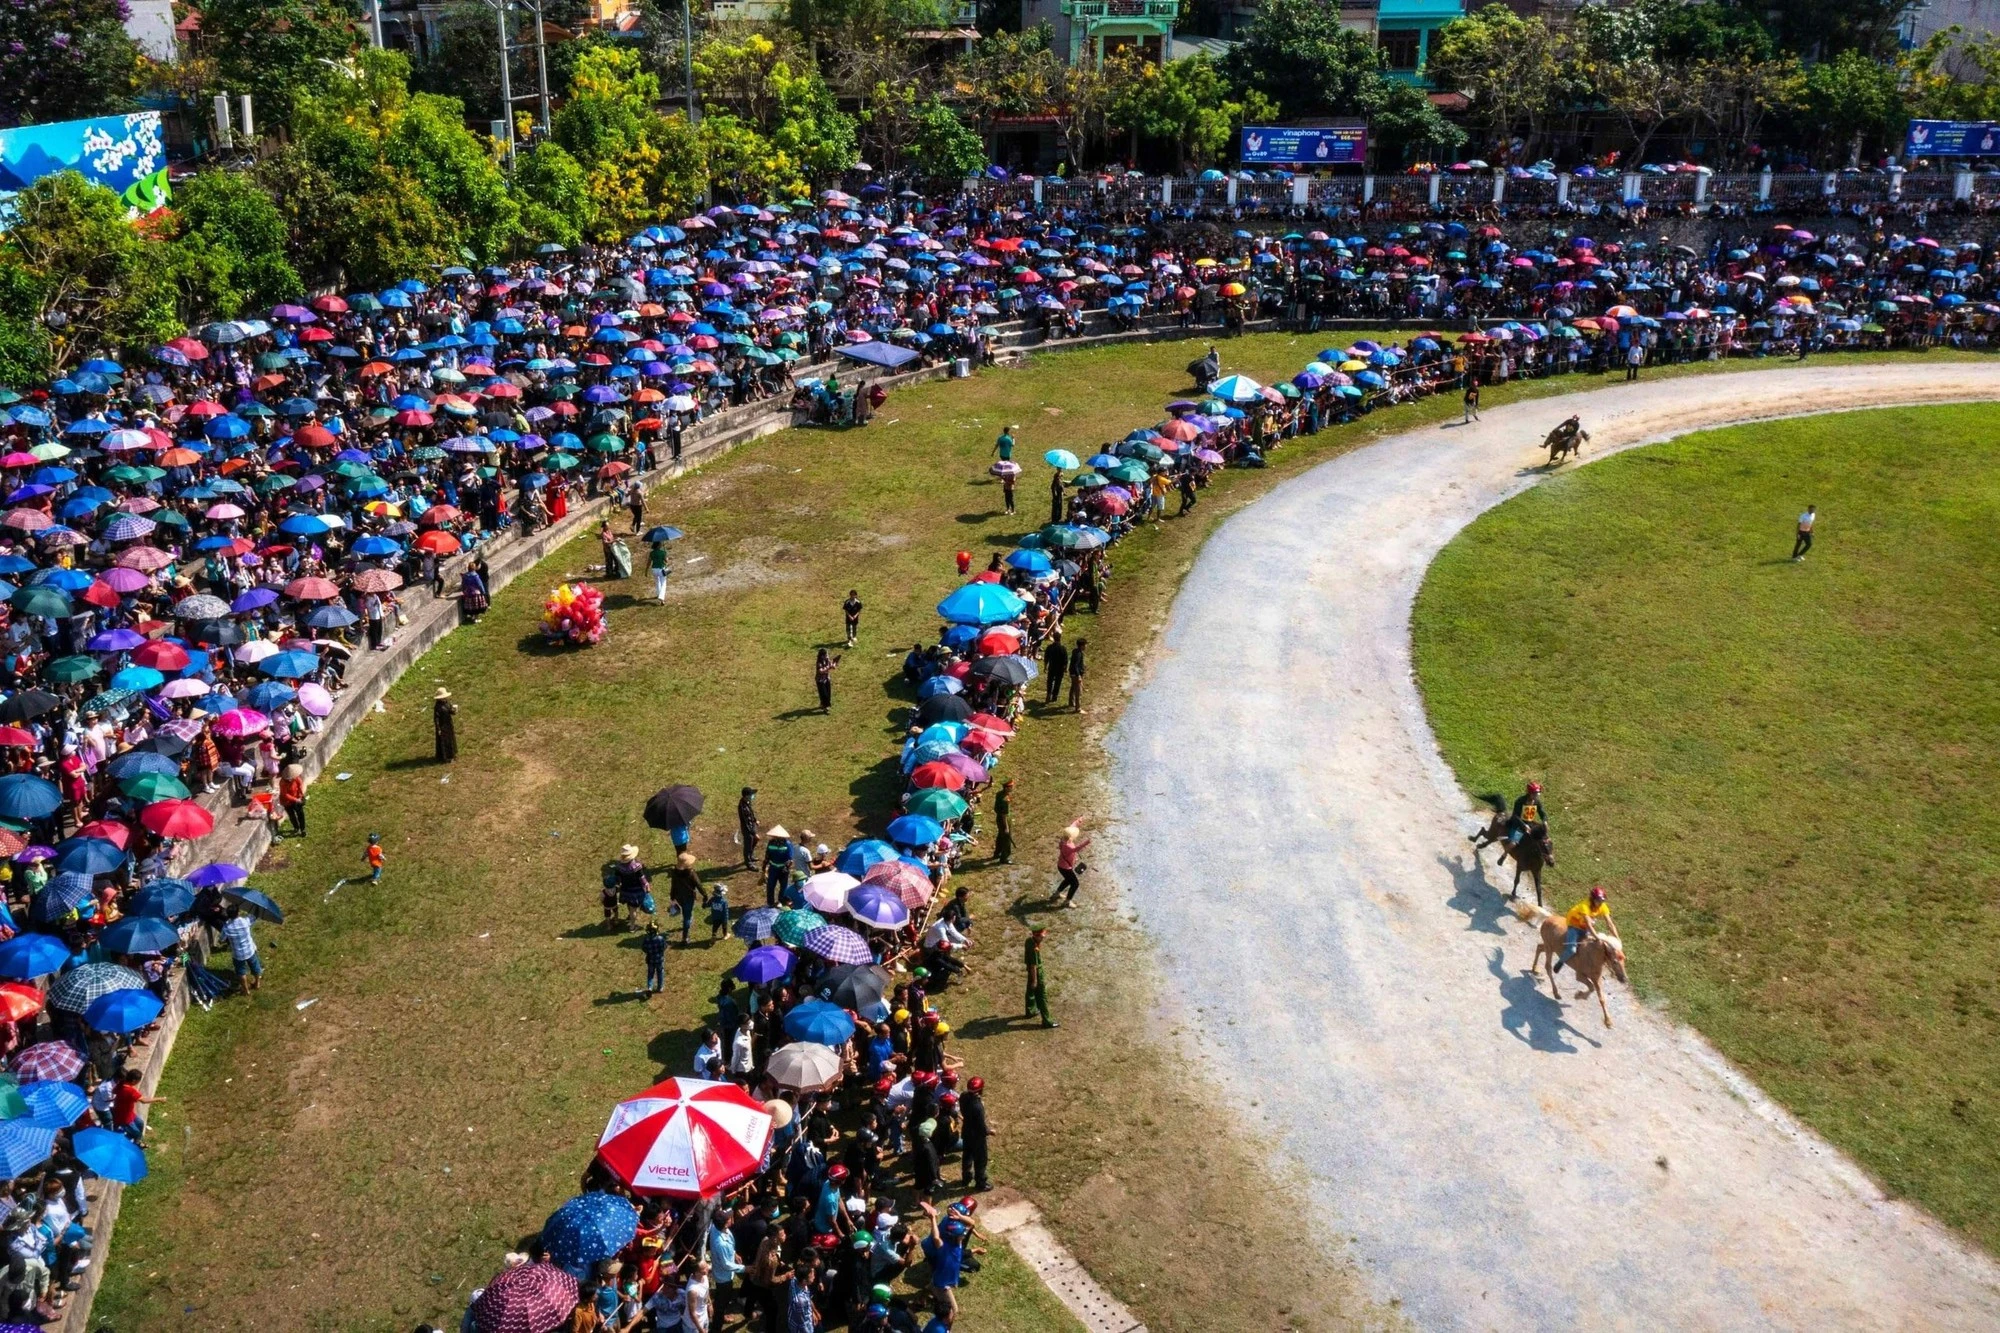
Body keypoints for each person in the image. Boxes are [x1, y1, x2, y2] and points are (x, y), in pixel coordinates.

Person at [1554, 885, 1618, 973]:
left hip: (1585, 924)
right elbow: (1588, 924)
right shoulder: (1585, 906)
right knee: (1571, 949)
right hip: (1574, 925)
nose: (1600, 903)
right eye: (1598, 900)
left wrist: (1617, 938)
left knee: (1593, 946)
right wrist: (1597, 937)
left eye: (1602, 901)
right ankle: (1561, 962)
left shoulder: (1602, 906)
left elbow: (1610, 923)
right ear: (1592, 899)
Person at [958, 1076, 992, 1191]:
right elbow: (981, 1126)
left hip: (966, 1131)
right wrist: (989, 1131)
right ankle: (980, 1182)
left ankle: (966, 1178)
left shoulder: (963, 1096)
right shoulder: (977, 1106)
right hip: (977, 1137)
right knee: (981, 1160)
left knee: (967, 1156)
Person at [222, 906, 261, 993]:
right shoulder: (245, 921)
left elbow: (222, 939)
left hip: (237, 954)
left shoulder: (227, 927)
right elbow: (254, 916)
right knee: (255, 967)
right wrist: (256, 906)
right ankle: (257, 983)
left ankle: (246, 990)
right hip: (250, 950)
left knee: (241, 972)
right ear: (238, 913)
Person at [1023, 926, 1054, 1028]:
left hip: (1031, 971)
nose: (1043, 938)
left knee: (1030, 991)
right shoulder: (1034, 949)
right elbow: (1033, 966)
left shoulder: (1029, 941)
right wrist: (1035, 981)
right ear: (1036, 936)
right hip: (1037, 973)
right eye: (1041, 936)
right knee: (1042, 997)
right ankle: (1047, 1021)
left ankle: (1030, 1010)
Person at [1053, 820, 1089, 905]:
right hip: (1065, 868)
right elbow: (1076, 849)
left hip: (1062, 865)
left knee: (1068, 880)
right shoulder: (1067, 846)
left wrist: (1078, 821)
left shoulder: (1064, 839)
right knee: (1075, 884)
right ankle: (1067, 901)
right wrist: (1087, 842)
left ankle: (1057, 893)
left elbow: (1071, 827)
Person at [1502, 781, 1547, 848]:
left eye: (1537, 794)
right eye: (1534, 794)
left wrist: (1544, 820)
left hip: (1530, 823)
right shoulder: (1520, 801)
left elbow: (1542, 813)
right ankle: (1505, 854)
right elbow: (1515, 816)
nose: (1536, 796)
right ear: (1530, 793)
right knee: (1513, 843)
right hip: (1518, 824)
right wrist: (1524, 825)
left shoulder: (1537, 802)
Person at [278, 762, 306, 837]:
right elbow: (285, 794)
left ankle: (303, 829)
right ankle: (296, 828)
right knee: (292, 815)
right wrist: (295, 800)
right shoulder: (283, 782)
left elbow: (300, 785)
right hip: (287, 802)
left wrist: (300, 796)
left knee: (301, 814)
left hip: (297, 798)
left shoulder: (296, 778)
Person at [991, 779, 1013, 865]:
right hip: (1004, 820)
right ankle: (1004, 857)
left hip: (998, 818)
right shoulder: (1005, 799)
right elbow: (1004, 814)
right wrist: (1006, 827)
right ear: (1007, 788)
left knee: (1000, 836)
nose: (1012, 788)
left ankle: (997, 853)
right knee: (1006, 839)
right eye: (1011, 786)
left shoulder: (999, 794)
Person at [1041, 634, 1068, 706]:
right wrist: (1065, 668)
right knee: (1057, 682)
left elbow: (1046, 658)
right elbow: (1065, 660)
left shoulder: (1049, 647)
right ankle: (1054, 696)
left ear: (1053, 638)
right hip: (1060, 668)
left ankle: (1048, 694)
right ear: (1060, 638)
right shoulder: (1063, 648)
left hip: (1052, 667)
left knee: (1050, 681)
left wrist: (1045, 666)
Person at [433, 687, 458, 763]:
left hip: (448, 724)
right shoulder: (437, 707)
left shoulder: (447, 703)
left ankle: (452, 754)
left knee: (450, 740)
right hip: (442, 726)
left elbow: (451, 711)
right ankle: (446, 757)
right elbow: (436, 718)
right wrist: (439, 728)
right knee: (445, 741)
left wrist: (455, 710)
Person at [641, 922, 667, 995]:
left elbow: (644, 948)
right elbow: (665, 947)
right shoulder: (661, 938)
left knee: (650, 974)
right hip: (659, 959)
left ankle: (650, 987)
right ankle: (660, 987)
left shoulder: (646, 939)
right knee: (660, 973)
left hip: (650, 960)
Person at [738, 787, 759, 871]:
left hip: (751, 826)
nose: (752, 796)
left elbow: (751, 813)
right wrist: (753, 833)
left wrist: (755, 820)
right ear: (746, 796)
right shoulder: (742, 807)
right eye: (751, 795)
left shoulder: (747, 802)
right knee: (748, 845)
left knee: (754, 841)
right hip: (747, 829)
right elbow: (746, 822)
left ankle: (750, 855)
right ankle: (748, 863)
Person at [1066, 638, 1087, 711]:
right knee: (1078, 691)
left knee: (1073, 688)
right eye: (1085, 645)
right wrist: (1078, 675)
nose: (1085, 647)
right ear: (1082, 646)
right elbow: (1075, 665)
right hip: (1076, 674)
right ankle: (1078, 708)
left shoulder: (1075, 651)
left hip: (1072, 673)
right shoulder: (1078, 654)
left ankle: (1071, 702)